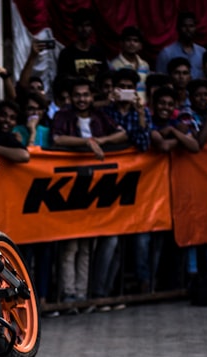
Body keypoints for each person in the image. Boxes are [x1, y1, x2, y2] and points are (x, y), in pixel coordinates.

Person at [51, 78, 126, 309]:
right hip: (70, 188)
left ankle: (83, 297)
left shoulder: (100, 116)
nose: (82, 99)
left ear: (92, 97)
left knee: (86, 247)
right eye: (78, 95)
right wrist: (86, 143)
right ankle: (69, 296)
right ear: (71, 97)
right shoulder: (62, 116)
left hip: (95, 189)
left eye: (86, 95)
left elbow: (122, 134)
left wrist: (99, 141)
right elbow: (58, 138)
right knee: (70, 246)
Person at [55, 8, 107, 83]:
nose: (84, 29)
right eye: (80, 25)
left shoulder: (99, 53)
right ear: (75, 27)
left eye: (87, 25)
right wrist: (82, 74)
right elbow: (62, 80)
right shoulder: (66, 54)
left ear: (92, 28)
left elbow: (105, 78)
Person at [156, 12, 205, 79]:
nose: (188, 29)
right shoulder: (166, 53)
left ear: (195, 28)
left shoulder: (202, 52)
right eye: (184, 26)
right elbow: (160, 80)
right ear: (178, 28)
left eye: (191, 26)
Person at [108, 27, 150, 103]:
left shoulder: (145, 65)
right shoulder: (114, 65)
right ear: (121, 43)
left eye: (135, 41)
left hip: (142, 107)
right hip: (122, 108)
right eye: (128, 40)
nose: (132, 43)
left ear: (140, 45)